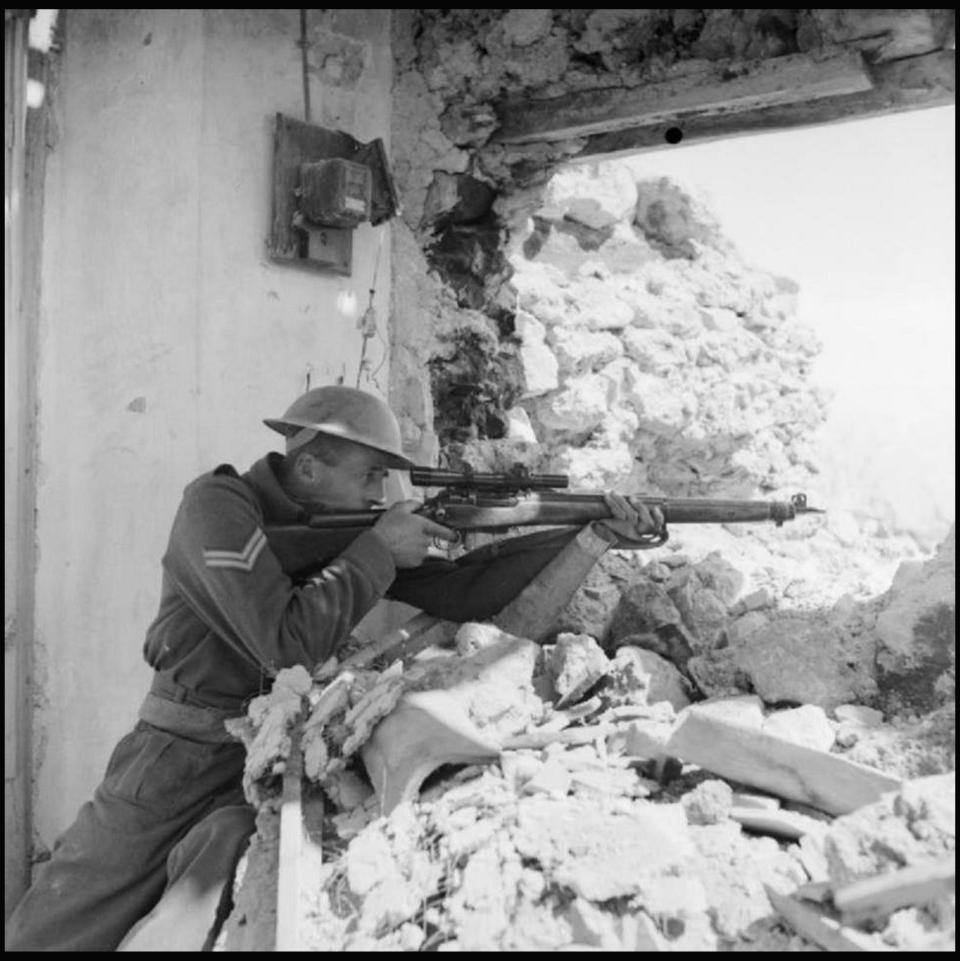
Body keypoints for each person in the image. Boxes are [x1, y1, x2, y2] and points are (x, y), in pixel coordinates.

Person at [4, 385, 663, 952]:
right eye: (371, 475)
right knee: (64, 917)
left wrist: (593, 535)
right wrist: (377, 549)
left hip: (263, 764)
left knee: (207, 906)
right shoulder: (217, 504)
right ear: (311, 464)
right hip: (172, 756)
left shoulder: (352, 531)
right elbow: (282, 641)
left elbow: (473, 591)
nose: (383, 493)